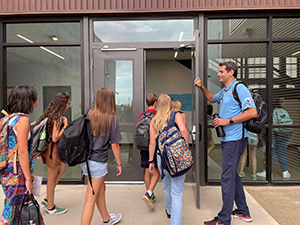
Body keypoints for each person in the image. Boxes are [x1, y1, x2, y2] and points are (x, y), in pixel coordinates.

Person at [194, 61, 257, 225]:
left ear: (231, 72)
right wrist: (201, 87)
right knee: (232, 176)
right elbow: (212, 98)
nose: (218, 74)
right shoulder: (226, 90)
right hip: (228, 140)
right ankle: (244, 212)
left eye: (221, 71)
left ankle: (224, 219)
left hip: (235, 139)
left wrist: (227, 121)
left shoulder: (239, 88)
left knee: (227, 178)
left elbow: (252, 112)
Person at [0, 86, 45, 224]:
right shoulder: (22, 120)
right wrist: (27, 178)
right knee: (12, 213)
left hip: (7, 171)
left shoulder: (6, 119)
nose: (37, 100)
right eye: (35, 97)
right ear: (28, 100)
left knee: (21, 207)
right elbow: (22, 151)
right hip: (17, 174)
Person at [80, 87, 122, 225]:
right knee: (90, 198)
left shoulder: (89, 114)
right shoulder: (111, 118)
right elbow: (115, 145)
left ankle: (106, 219)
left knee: (101, 188)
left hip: (86, 160)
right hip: (97, 161)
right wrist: (119, 163)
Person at [149, 94, 188, 225]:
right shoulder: (176, 115)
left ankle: (169, 210)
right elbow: (183, 131)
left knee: (166, 185)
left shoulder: (154, 120)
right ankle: (175, 222)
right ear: (170, 104)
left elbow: (152, 144)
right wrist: (185, 150)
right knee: (177, 191)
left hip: (162, 159)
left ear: (158, 104)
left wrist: (150, 161)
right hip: (177, 157)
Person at [36, 92, 70, 216]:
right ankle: (50, 208)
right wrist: (64, 127)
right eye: (68, 103)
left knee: (62, 169)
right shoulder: (58, 118)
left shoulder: (51, 114)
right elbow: (55, 138)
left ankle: (47, 199)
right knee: (51, 179)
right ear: (62, 104)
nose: (68, 105)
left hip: (49, 150)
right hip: (53, 151)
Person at [257, 98, 292, 179]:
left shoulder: (269, 111)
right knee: (282, 153)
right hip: (285, 133)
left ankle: (267, 172)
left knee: (270, 154)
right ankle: (285, 172)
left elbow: (264, 123)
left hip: (274, 134)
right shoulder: (283, 110)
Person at [137, 93, 160, 209]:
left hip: (143, 147)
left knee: (147, 171)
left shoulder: (141, 115)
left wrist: (140, 147)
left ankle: (149, 194)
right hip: (153, 146)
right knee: (156, 171)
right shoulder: (157, 115)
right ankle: (149, 193)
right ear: (155, 103)